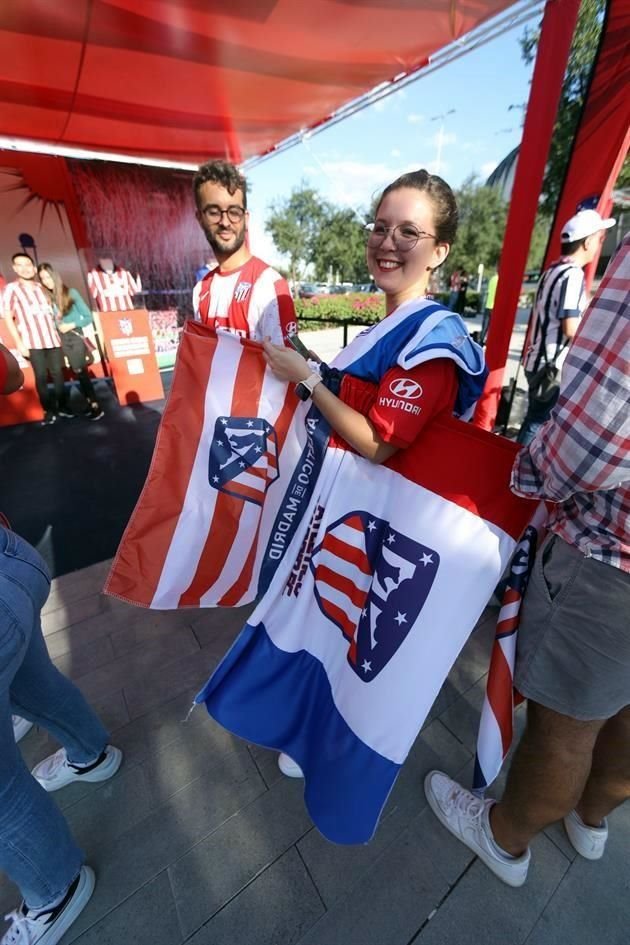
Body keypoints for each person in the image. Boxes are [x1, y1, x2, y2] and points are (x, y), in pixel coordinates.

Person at [261, 168, 487, 778]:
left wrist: (307, 381)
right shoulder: (396, 321)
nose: (387, 243)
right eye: (380, 228)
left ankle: (326, 743)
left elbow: (380, 444)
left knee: (351, 635)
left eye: (409, 232)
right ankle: (310, 729)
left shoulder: (432, 336)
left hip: (389, 523)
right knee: (330, 621)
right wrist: (313, 366)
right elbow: (361, 398)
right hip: (358, 516)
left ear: (439, 250)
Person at [424, 232, 630, 888]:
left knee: (567, 725)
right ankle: (590, 817)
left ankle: (505, 836)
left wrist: (527, 472)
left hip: (609, 558)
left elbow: (591, 442)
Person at [0, 343, 124, 944]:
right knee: (33, 683)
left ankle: (54, 889)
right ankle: (90, 754)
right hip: (10, 560)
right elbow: (7, 368)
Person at [517, 208, 616, 445]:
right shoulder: (572, 275)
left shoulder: (552, 270)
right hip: (551, 365)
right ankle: (514, 468)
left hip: (537, 360)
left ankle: (512, 463)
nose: (599, 245)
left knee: (535, 418)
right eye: (600, 239)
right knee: (538, 421)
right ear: (588, 242)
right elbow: (571, 327)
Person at [192, 159, 297, 343]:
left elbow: (291, 368)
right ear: (200, 218)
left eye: (234, 211)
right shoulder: (201, 290)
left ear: (246, 218)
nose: (225, 222)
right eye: (214, 212)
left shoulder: (270, 286)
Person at [3, 253, 72, 425]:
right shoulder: (12, 289)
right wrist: (19, 342)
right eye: (20, 265)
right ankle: (49, 411)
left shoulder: (42, 287)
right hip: (32, 341)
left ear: (33, 267)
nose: (24, 268)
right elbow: (7, 316)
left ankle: (63, 407)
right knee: (41, 377)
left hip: (53, 339)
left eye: (28, 264)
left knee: (57, 374)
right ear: (14, 268)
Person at [37, 264, 104, 421]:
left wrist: (72, 324)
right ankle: (91, 404)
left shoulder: (71, 293)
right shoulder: (47, 299)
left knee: (80, 372)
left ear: (55, 275)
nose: (46, 281)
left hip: (74, 336)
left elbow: (88, 316)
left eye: (48, 276)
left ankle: (96, 406)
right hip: (60, 339)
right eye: (42, 279)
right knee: (78, 372)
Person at [481, 265, 499, 344]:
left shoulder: (492, 279)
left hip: (488, 305)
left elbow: (488, 292)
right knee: (493, 326)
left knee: (485, 325)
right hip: (495, 306)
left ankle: (481, 341)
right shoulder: (501, 280)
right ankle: (489, 341)